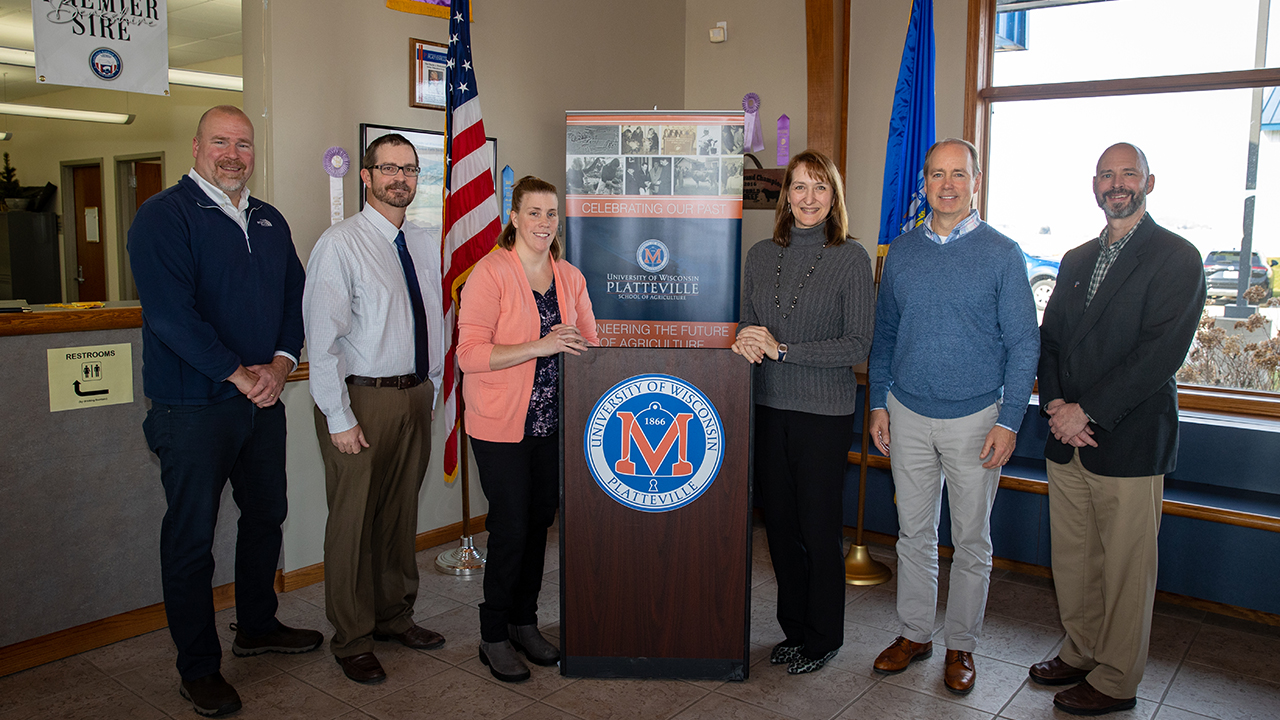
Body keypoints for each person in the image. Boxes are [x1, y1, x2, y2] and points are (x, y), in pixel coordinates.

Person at [128, 105, 322, 717]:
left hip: (261, 401)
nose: (232, 153)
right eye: (220, 141)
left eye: (243, 143)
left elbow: (297, 298)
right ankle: (198, 668)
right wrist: (239, 373)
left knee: (267, 514)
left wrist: (283, 364)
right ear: (195, 146)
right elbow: (170, 316)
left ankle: (258, 626)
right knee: (192, 539)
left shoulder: (268, 219)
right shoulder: (164, 216)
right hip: (192, 408)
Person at [1032, 143, 1205, 716]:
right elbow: (1050, 339)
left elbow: (1160, 355)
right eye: (1107, 175)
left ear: (1149, 182)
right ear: (1094, 186)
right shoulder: (1077, 258)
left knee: (1128, 569)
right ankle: (1080, 651)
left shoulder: (1177, 257)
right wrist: (1057, 402)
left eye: (1128, 173)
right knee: (1075, 560)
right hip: (1067, 439)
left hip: (1128, 440)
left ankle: (1115, 678)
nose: (1117, 183)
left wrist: (1088, 411)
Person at [867, 138, 1039, 694]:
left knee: (971, 541)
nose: (947, 185)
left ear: (976, 181)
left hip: (976, 420)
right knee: (913, 536)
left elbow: (1024, 345)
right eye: (937, 174)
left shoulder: (1003, 253)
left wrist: (1009, 420)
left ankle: (961, 646)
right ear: (924, 182)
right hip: (907, 413)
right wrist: (877, 402)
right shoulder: (902, 252)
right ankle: (915, 634)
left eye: (958, 174)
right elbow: (885, 336)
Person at [303, 133, 447, 685]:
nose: (400, 179)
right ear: (365, 176)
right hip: (361, 399)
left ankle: (393, 616)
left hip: (414, 396)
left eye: (409, 170)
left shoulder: (425, 242)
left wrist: (431, 389)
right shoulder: (340, 244)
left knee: (398, 516)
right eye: (388, 168)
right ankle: (353, 637)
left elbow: (433, 322)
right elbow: (322, 341)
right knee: (353, 523)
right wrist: (339, 418)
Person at [731, 149, 874, 675]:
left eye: (820, 187)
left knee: (817, 528)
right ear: (785, 196)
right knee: (782, 529)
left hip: (823, 414)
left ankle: (824, 635)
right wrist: (745, 341)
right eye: (799, 187)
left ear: (833, 197)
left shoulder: (851, 258)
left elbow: (858, 344)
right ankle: (793, 630)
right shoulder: (759, 255)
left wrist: (784, 350)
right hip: (767, 408)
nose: (808, 198)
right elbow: (746, 327)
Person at [457, 176, 598, 682]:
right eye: (533, 213)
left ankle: (523, 622)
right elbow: (469, 355)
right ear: (513, 218)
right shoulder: (489, 274)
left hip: (552, 424)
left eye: (551, 214)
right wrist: (540, 345)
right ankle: (492, 633)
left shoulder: (571, 278)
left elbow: (589, 345)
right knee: (512, 525)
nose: (543, 223)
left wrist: (576, 342)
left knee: (539, 524)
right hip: (499, 426)